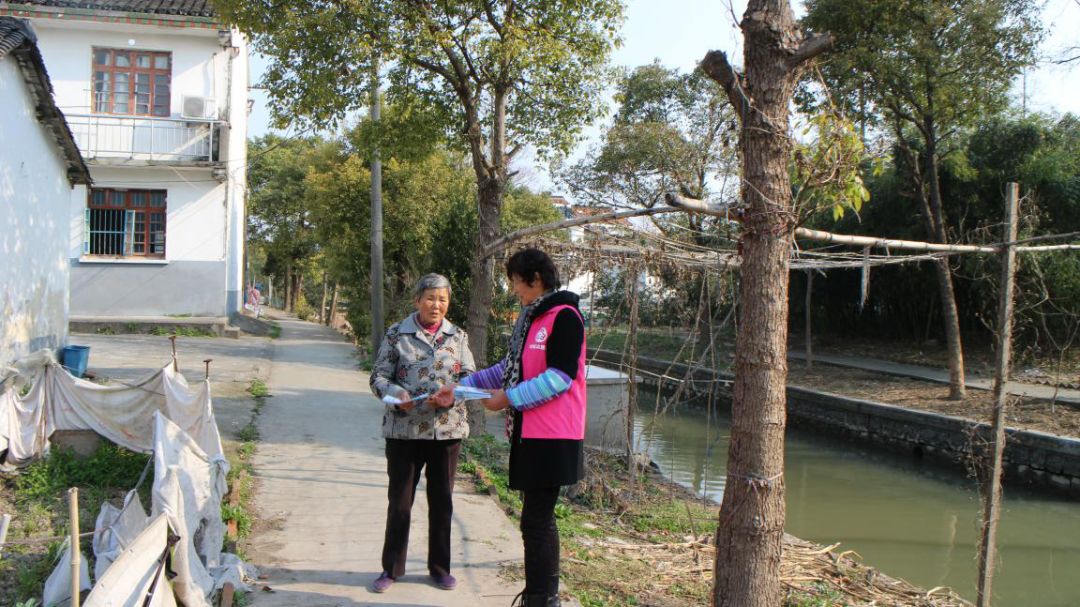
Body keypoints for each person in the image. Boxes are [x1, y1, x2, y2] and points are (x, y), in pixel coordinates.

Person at [436, 248, 586, 607]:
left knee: (536, 520)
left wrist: (508, 399)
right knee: (535, 521)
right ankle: (541, 597)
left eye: (517, 282)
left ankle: (542, 599)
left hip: (554, 437)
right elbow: (509, 367)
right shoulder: (531, 319)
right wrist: (462, 388)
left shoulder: (565, 317)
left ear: (535, 281)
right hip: (529, 434)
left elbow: (560, 377)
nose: (514, 289)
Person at [368, 273, 475, 593]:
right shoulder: (396, 334)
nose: (436, 305)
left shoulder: (458, 336)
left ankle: (440, 569)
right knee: (399, 503)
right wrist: (397, 395)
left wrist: (455, 392)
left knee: (442, 502)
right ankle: (391, 569)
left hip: (446, 432)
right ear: (417, 301)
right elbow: (378, 378)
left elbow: (471, 377)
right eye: (430, 298)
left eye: (442, 299)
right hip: (404, 431)